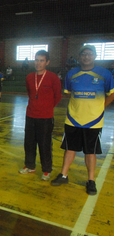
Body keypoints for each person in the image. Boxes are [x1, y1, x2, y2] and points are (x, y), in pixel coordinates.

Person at [51, 45, 114, 195]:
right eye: (84, 54)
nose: (86, 57)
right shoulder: (71, 73)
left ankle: (90, 181)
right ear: (79, 57)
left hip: (94, 120)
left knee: (90, 152)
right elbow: (68, 93)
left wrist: (100, 107)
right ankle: (63, 175)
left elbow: (111, 94)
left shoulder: (105, 74)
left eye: (89, 54)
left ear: (95, 56)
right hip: (73, 118)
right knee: (69, 149)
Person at [18, 50, 62, 181]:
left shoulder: (53, 77)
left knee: (45, 144)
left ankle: (47, 170)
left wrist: (46, 107)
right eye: (36, 60)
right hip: (30, 115)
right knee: (29, 143)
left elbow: (57, 96)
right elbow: (30, 92)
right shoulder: (29, 77)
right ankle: (30, 166)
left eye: (42, 60)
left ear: (47, 62)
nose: (38, 63)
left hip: (46, 118)